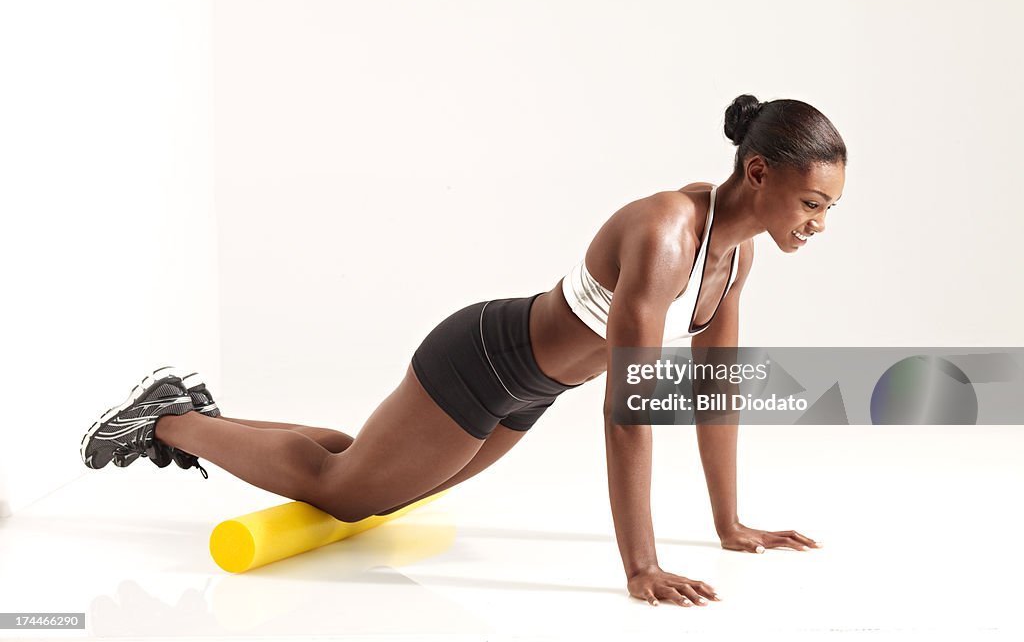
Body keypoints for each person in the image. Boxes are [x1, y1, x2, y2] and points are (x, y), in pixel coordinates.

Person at [81, 93, 846, 608]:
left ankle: (193, 412)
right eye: (812, 203)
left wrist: (730, 523)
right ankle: (167, 422)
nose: (818, 224)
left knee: (378, 476)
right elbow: (629, 413)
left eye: (829, 210)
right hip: (481, 359)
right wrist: (639, 566)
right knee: (346, 492)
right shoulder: (665, 232)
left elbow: (715, 393)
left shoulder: (737, 258)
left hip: (529, 391)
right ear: (757, 171)